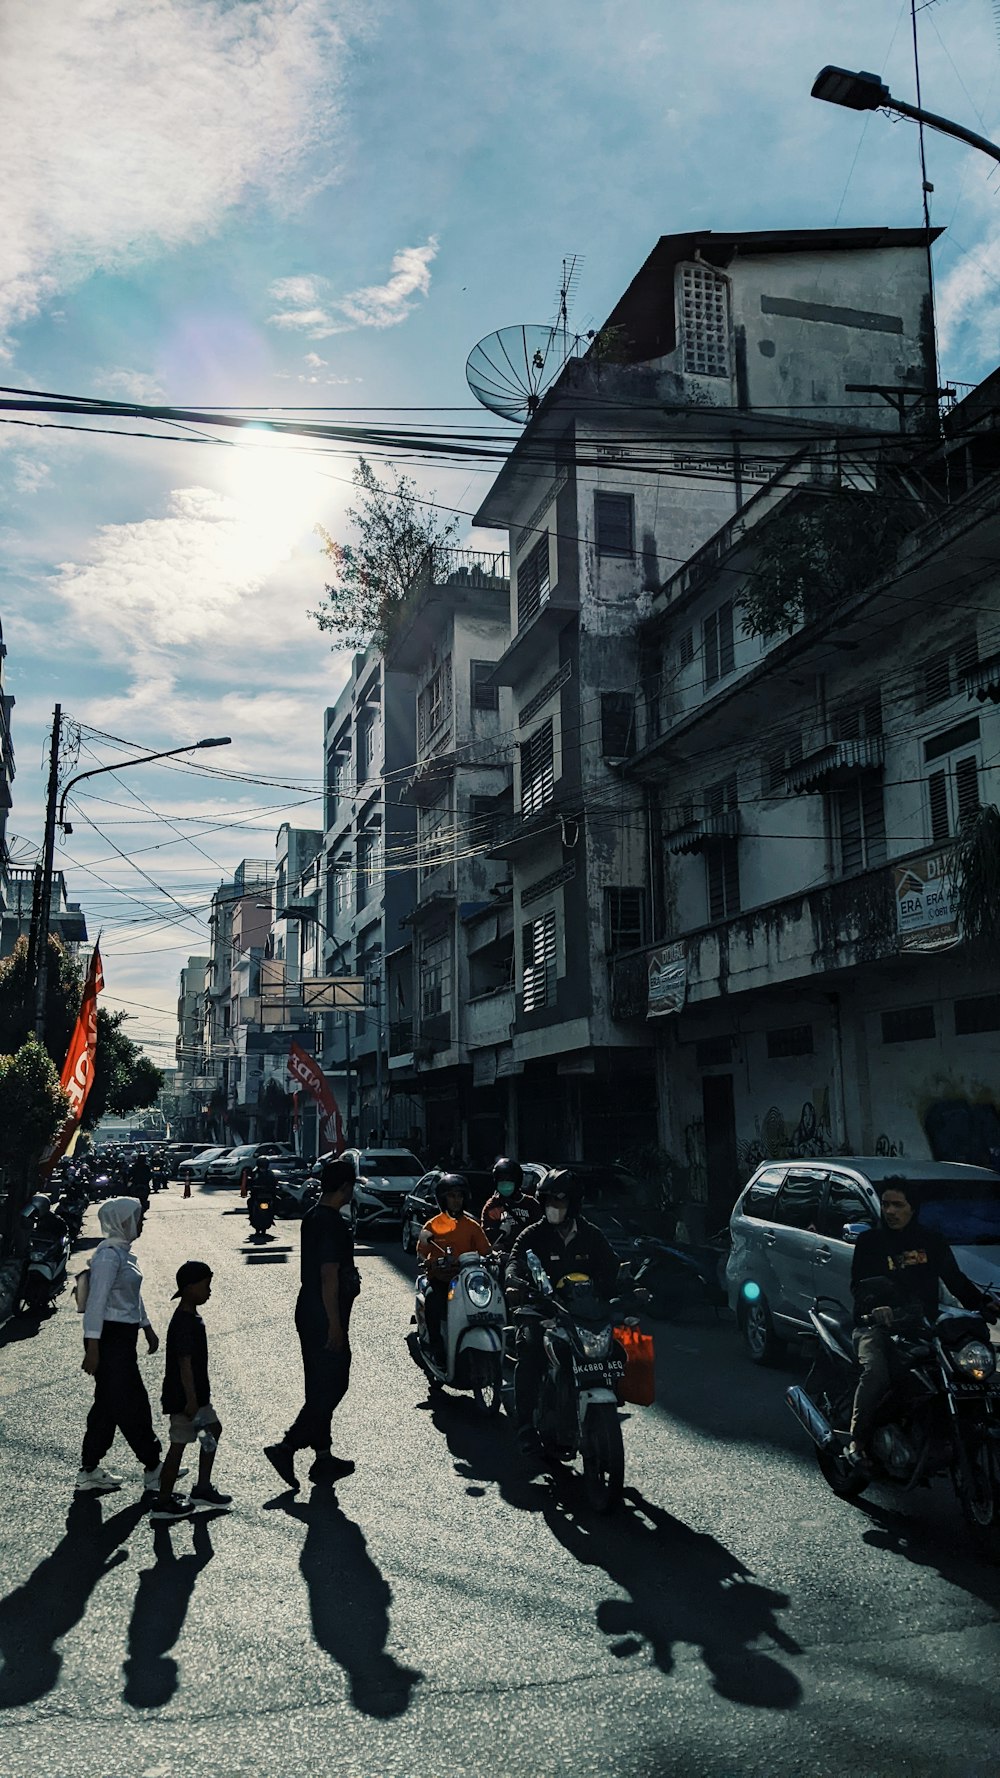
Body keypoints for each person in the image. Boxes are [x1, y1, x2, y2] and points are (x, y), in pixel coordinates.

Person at [848, 1176, 998, 1463]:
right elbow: (859, 1286)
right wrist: (878, 1307)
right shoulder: (870, 1242)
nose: (890, 1211)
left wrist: (984, 1304)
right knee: (877, 1374)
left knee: (957, 1373)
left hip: (924, 1325)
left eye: (898, 1205)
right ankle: (858, 1441)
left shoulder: (931, 1241)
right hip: (877, 1327)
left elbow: (956, 1281)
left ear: (912, 1209)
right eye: (886, 1204)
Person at [507, 1169, 621, 1452]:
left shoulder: (590, 1235)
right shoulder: (533, 1234)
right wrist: (513, 1281)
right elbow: (515, 1261)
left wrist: (625, 1287)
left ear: (573, 1204)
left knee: (614, 1348)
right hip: (542, 1310)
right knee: (531, 1350)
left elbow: (612, 1265)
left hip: (583, 1314)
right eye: (548, 1202)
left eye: (559, 1201)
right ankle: (525, 1425)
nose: (553, 1208)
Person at [264, 1158, 361, 1491]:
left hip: (310, 1308)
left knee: (319, 1384)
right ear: (345, 1187)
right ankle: (287, 1447)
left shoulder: (313, 1217)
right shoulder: (331, 1222)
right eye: (352, 1187)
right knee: (335, 1383)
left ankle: (323, 1457)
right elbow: (328, 1274)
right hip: (323, 1311)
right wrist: (335, 1325)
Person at [77, 1197, 166, 1495]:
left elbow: (132, 1298)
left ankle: (89, 1470)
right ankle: (154, 1466)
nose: (140, 1222)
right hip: (109, 1338)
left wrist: (147, 1328)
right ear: (123, 1221)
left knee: (107, 1406)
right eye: (137, 1218)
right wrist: (93, 1348)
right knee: (132, 1404)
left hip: (123, 1336)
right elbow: (96, 1303)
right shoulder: (108, 1256)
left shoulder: (125, 1255)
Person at [151, 1261, 231, 1522]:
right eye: (206, 1286)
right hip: (186, 1398)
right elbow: (184, 1363)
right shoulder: (185, 1321)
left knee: (211, 1430)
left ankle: (203, 1487)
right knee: (178, 1445)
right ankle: (163, 1501)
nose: (209, 1291)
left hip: (194, 1396)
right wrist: (192, 1399)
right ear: (189, 1288)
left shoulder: (191, 1316)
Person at [416, 1173, 491, 1359]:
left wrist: (494, 1257)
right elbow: (421, 1251)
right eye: (451, 1196)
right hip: (441, 1280)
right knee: (433, 1302)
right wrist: (429, 1263)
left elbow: (486, 1251)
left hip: (467, 1282)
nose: (456, 1200)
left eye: (459, 1196)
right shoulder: (432, 1225)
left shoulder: (473, 1226)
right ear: (443, 1199)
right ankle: (437, 1348)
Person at [480, 1157, 542, 1261]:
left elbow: (540, 1233)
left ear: (517, 1181)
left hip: (529, 1258)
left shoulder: (531, 1204)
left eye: (508, 1180)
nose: (505, 1183)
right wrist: (500, 1233)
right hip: (503, 1259)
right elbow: (487, 1239)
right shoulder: (492, 1206)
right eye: (501, 1180)